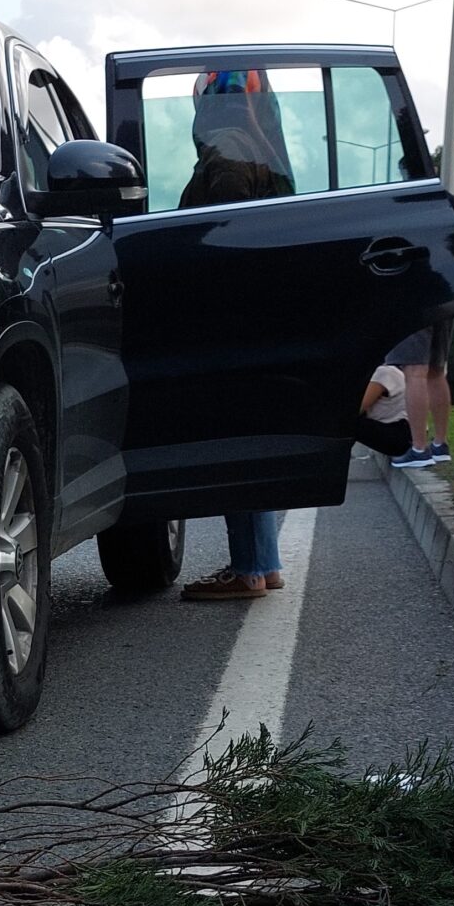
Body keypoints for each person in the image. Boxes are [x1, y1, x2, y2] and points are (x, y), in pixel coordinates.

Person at [180, 70, 298, 601]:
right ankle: (264, 563)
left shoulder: (225, 152)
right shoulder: (260, 147)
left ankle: (247, 568)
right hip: (263, 319)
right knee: (252, 435)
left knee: (236, 442)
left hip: (231, 323)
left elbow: (223, 242)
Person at [378, 322, 450, 468]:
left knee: (415, 371)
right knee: (436, 371)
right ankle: (440, 444)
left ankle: (419, 449)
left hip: (412, 305)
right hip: (444, 303)